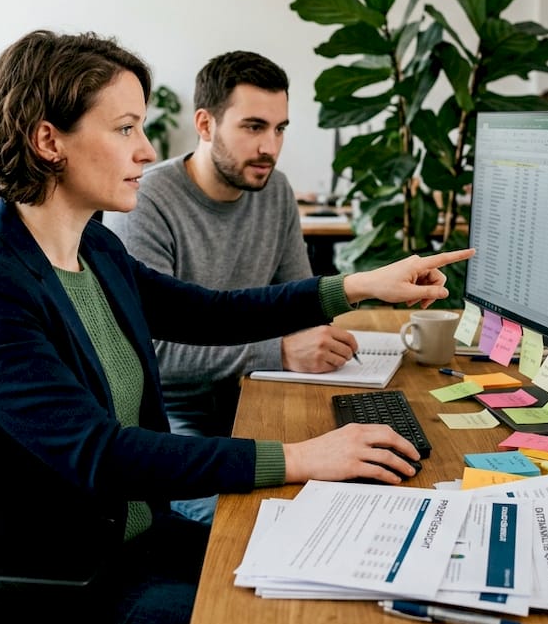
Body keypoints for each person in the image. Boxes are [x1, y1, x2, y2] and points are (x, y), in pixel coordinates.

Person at [0, 29, 475, 624]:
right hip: (77, 581)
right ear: (49, 140)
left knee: (355, 576)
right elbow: (101, 454)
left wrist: (358, 285)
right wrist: (300, 457)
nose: (145, 150)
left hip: (144, 541)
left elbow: (211, 313)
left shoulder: (94, 249)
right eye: (125, 128)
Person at [103, 50, 358, 524]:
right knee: (252, 525)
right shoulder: (145, 201)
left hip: (260, 399)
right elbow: (151, 354)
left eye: (280, 129)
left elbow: (300, 305)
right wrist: (278, 352)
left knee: (352, 492)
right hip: (177, 419)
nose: (271, 147)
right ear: (205, 124)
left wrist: (320, 338)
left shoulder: (275, 190)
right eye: (253, 127)